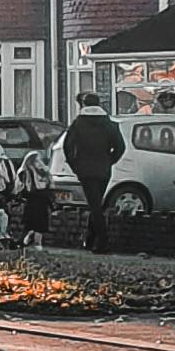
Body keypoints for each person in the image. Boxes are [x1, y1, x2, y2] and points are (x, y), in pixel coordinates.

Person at [61, 99, 126, 250]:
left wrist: (75, 165)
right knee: (96, 204)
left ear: (84, 104)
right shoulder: (110, 124)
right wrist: (110, 161)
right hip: (103, 169)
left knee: (95, 206)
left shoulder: (78, 124)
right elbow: (120, 147)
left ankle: (102, 241)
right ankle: (90, 240)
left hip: (85, 170)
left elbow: (68, 147)